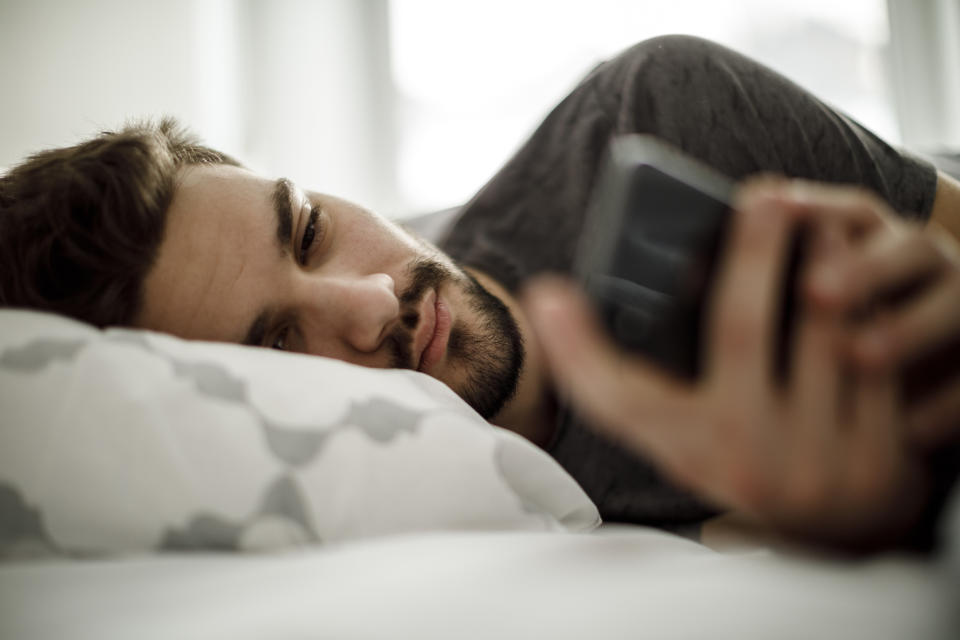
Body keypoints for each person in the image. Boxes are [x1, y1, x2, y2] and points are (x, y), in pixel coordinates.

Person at [1, 35, 957, 552]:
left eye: (308, 230)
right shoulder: (401, 522)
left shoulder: (658, 116)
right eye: (278, 349)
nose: (375, 303)